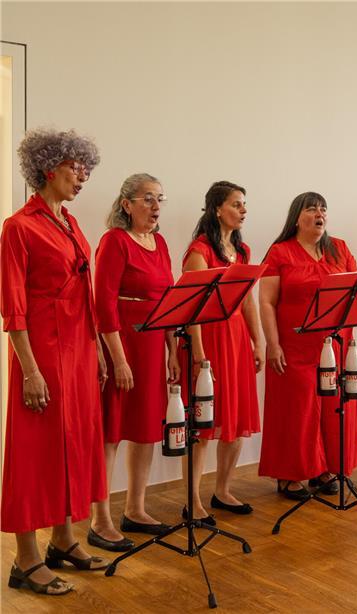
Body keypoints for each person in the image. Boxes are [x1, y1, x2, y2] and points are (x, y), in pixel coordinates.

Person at [1, 128, 108, 596]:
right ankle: (25, 560)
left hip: (79, 351)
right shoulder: (18, 227)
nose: (82, 176)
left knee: (75, 442)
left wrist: (99, 349)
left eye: (85, 168)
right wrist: (29, 369)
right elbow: (13, 306)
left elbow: (85, 292)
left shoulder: (71, 223)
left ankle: (63, 540)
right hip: (41, 352)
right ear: (48, 168)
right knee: (34, 450)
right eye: (75, 167)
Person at [258, 192, 357, 499]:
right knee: (298, 408)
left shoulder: (340, 249)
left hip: (336, 344)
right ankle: (290, 473)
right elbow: (266, 302)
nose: (320, 214)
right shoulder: (280, 252)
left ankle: (326, 467)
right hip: (294, 345)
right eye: (312, 209)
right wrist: (273, 344)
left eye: (323, 209)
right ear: (298, 217)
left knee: (334, 406)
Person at [89, 174, 179, 551]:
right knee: (112, 431)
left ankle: (136, 509)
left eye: (160, 198)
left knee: (145, 429)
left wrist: (173, 351)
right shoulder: (113, 241)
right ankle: (99, 519)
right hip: (122, 344)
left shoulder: (159, 242)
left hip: (154, 342)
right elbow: (103, 304)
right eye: (148, 199)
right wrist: (119, 359)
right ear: (127, 204)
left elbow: (170, 298)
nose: (156, 206)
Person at [181, 181, 263, 522]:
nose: (243, 210)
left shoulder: (241, 252)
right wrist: (199, 356)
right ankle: (192, 501)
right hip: (210, 341)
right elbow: (192, 309)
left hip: (237, 339)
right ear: (217, 209)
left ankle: (223, 489)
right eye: (236, 204)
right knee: (203, 428)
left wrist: (259, 340)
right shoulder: (200, 251)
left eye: (244, 204)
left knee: (236, 417)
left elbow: (247, 300)